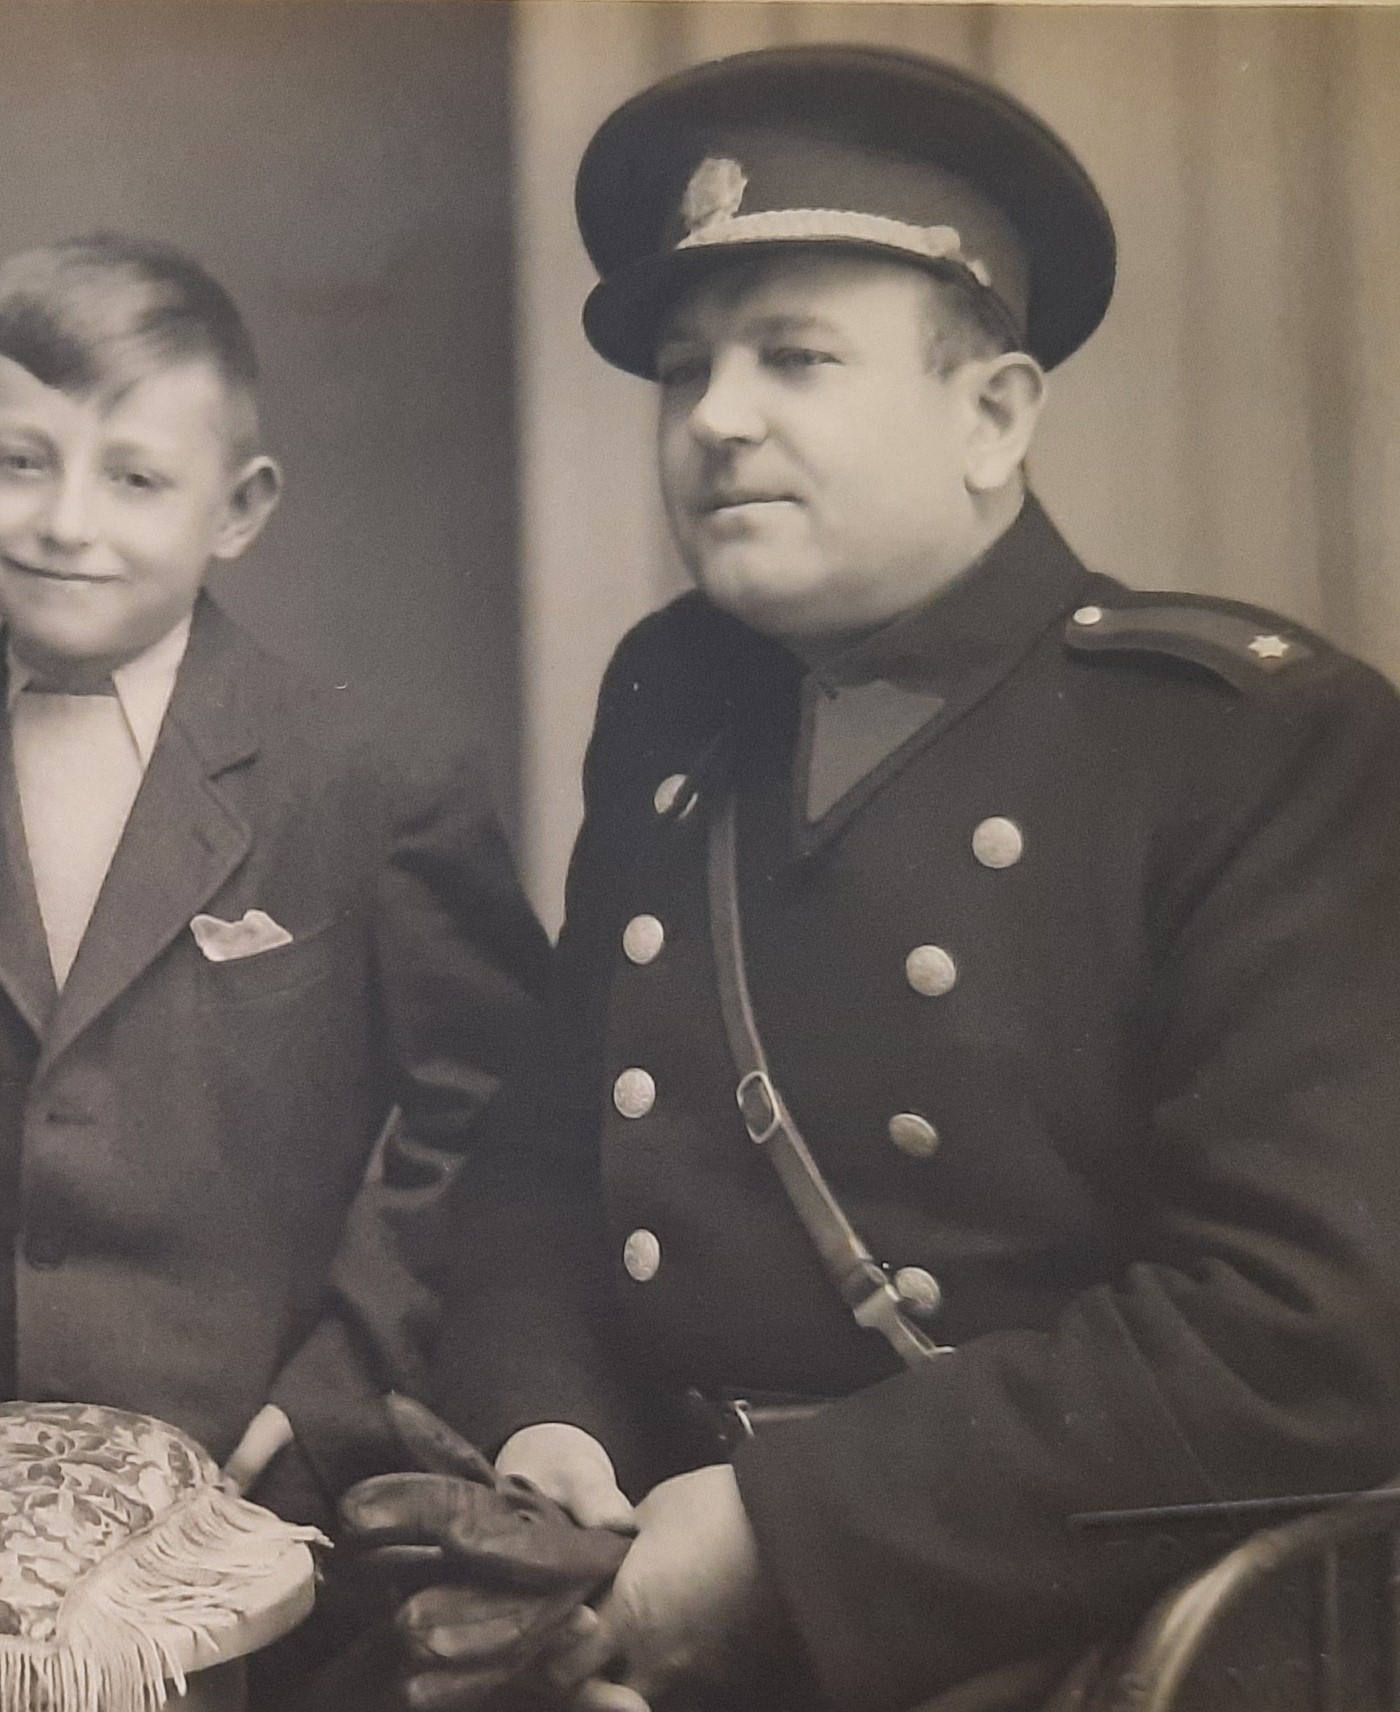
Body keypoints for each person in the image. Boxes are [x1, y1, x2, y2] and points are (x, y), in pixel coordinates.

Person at [358, 44, 1400, 1712]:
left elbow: (1310, 1333)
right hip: (638, 1583)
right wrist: (541, 1431)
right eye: (685, 370)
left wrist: (780, 1540)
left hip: (1046, 1632)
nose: (715, 418)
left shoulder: (1246, 742)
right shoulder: (676, 702)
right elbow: (548, 1160)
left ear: (994, 415)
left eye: (794, 357)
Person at [0, 234, 551, 1551]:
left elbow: (492, 1114)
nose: (67, 521)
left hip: (262, 1472)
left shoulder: (369, 772)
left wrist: (338, 1390)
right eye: (17, 462)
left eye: (135, 477)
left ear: (239, 508)